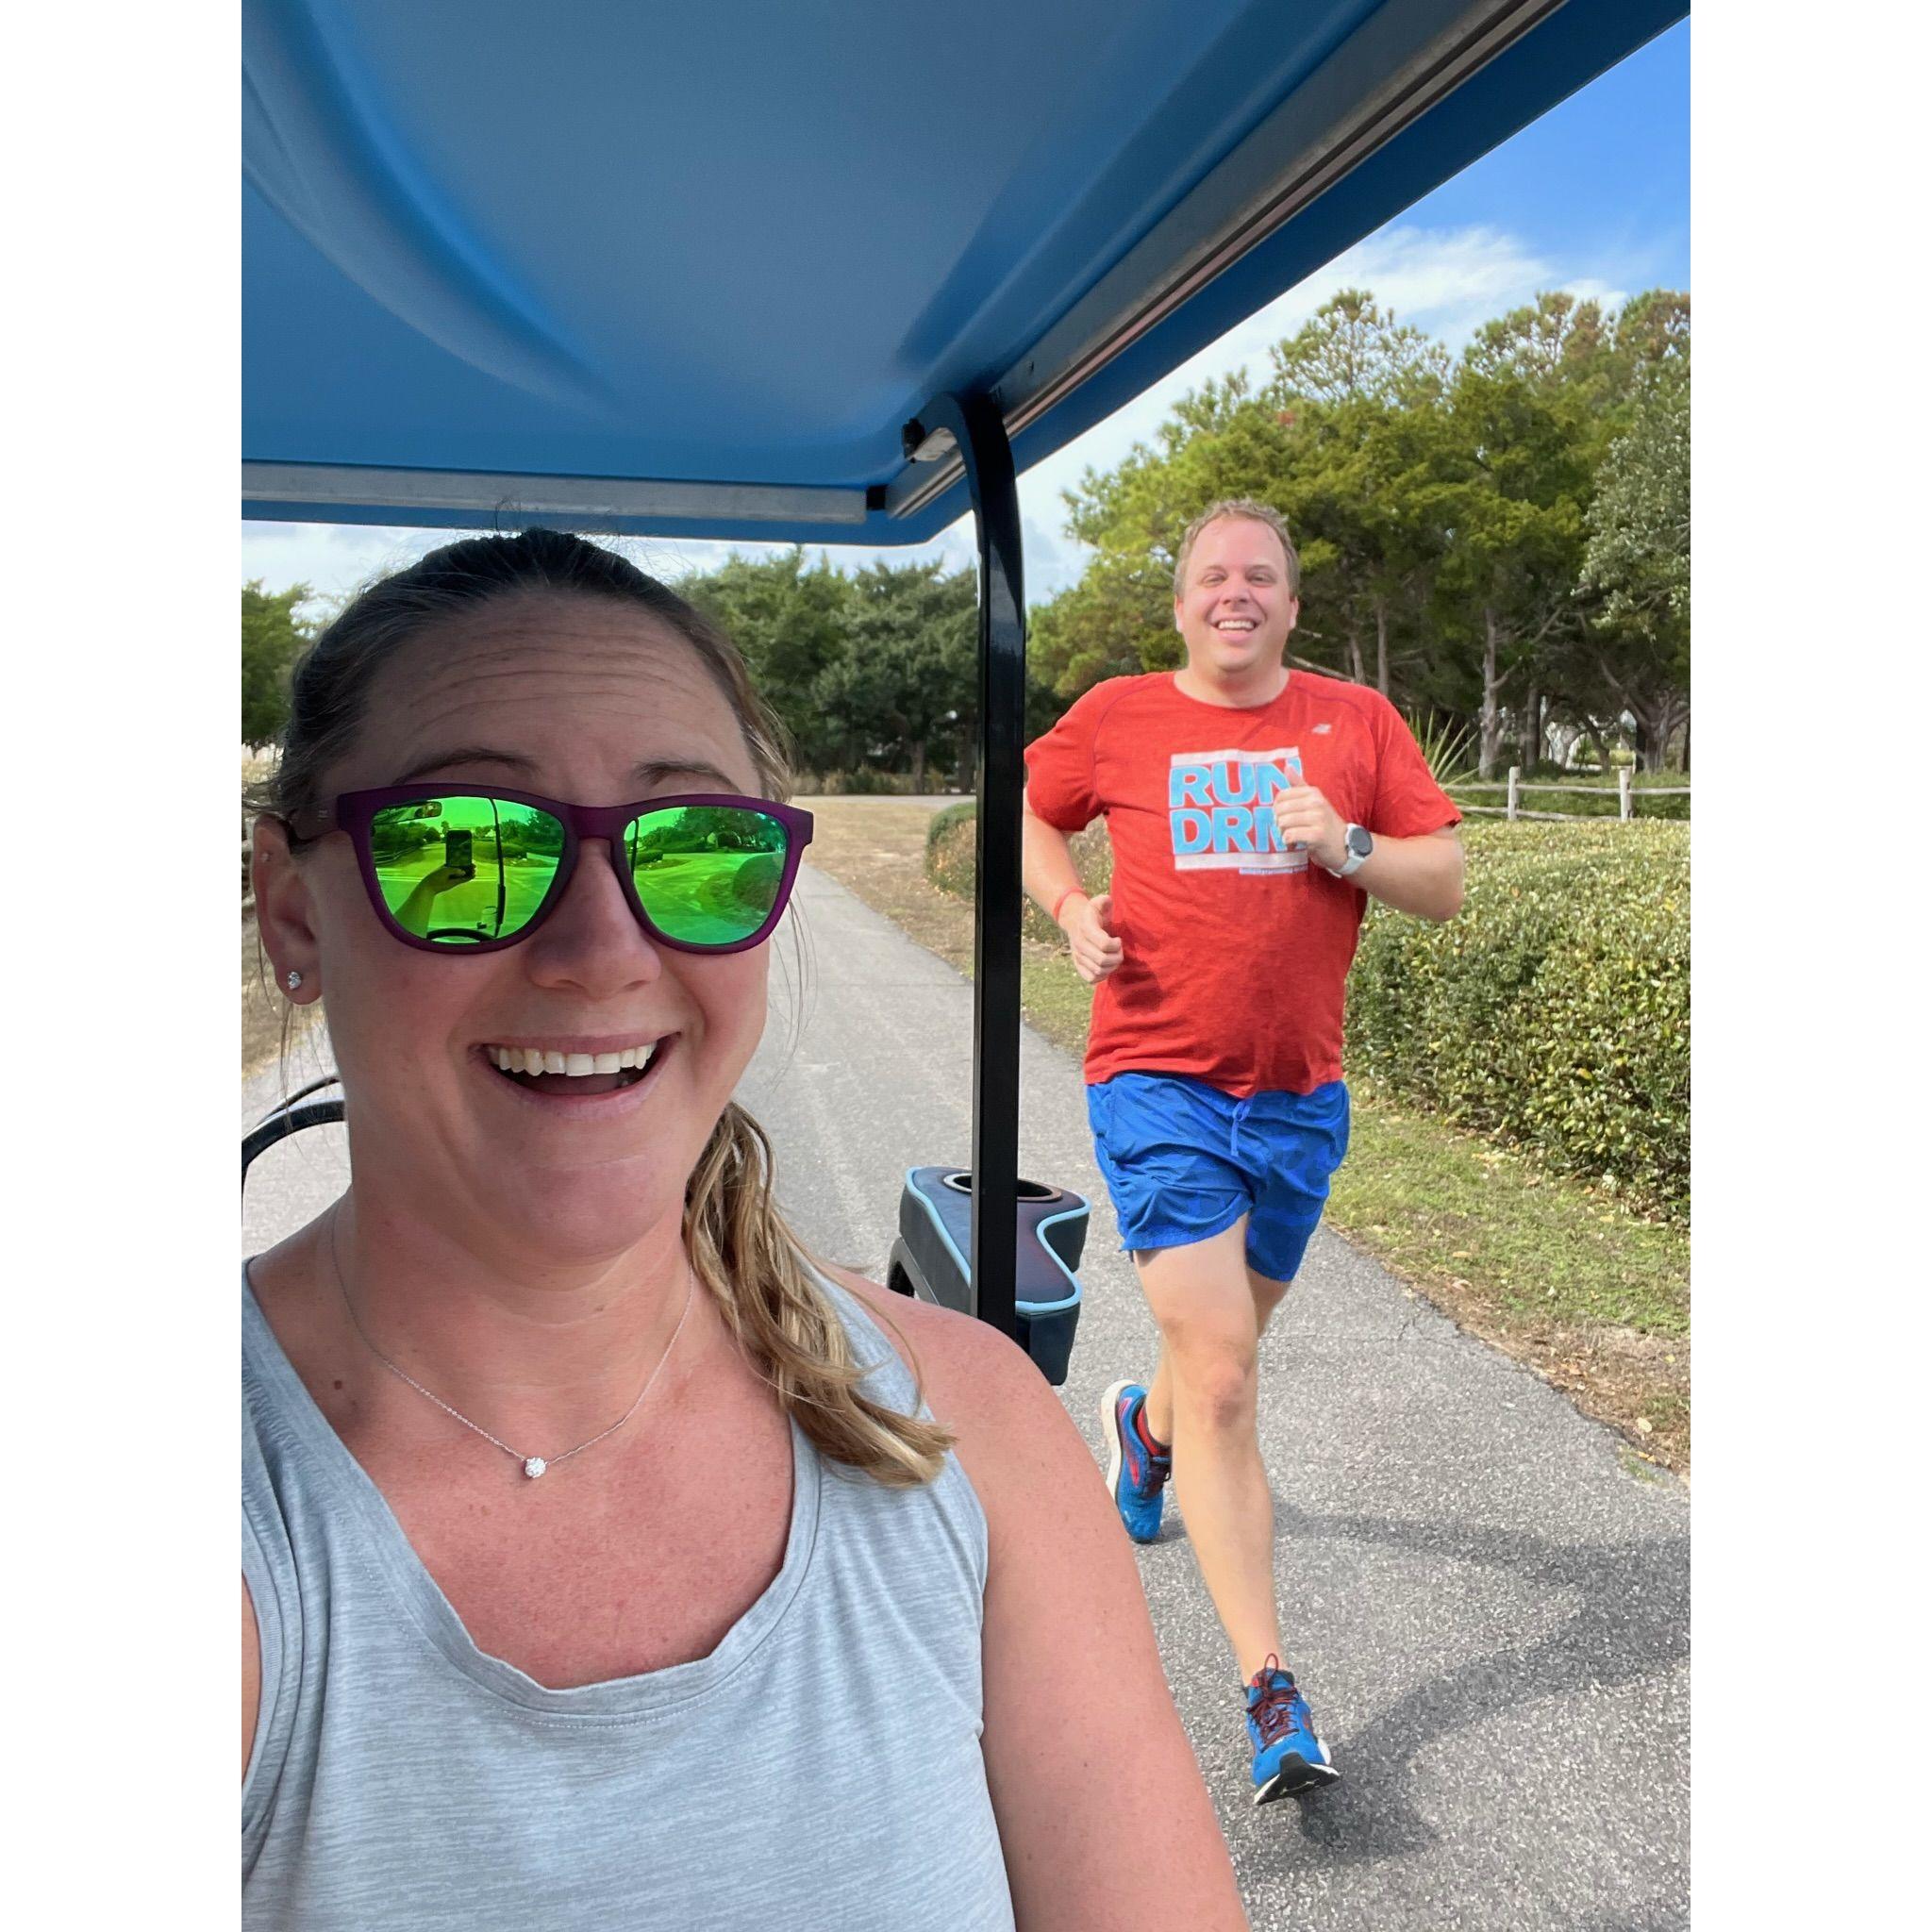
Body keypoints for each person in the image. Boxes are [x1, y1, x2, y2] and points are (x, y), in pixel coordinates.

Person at [243, 530, 1248, 1930]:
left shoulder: (969, 1423)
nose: (603, 949)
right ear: (292, 905)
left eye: (699, 848)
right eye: (464, 848)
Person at [1021, 498, 1464, 1807]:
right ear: (1180, 604)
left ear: (1289, 603)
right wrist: (1069, 906)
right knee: (1222, 1370)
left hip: (1296, 1102)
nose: (1235, 593)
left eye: (1258, 576)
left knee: (1221, 1355)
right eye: (1213, 575)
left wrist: (1350, 845)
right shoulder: (1114, 717)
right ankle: (1271, 1690)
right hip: (1153, 1079)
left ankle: (1138, 1431)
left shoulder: (1353, 724)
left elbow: (1443, 879)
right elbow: (1034, 816)